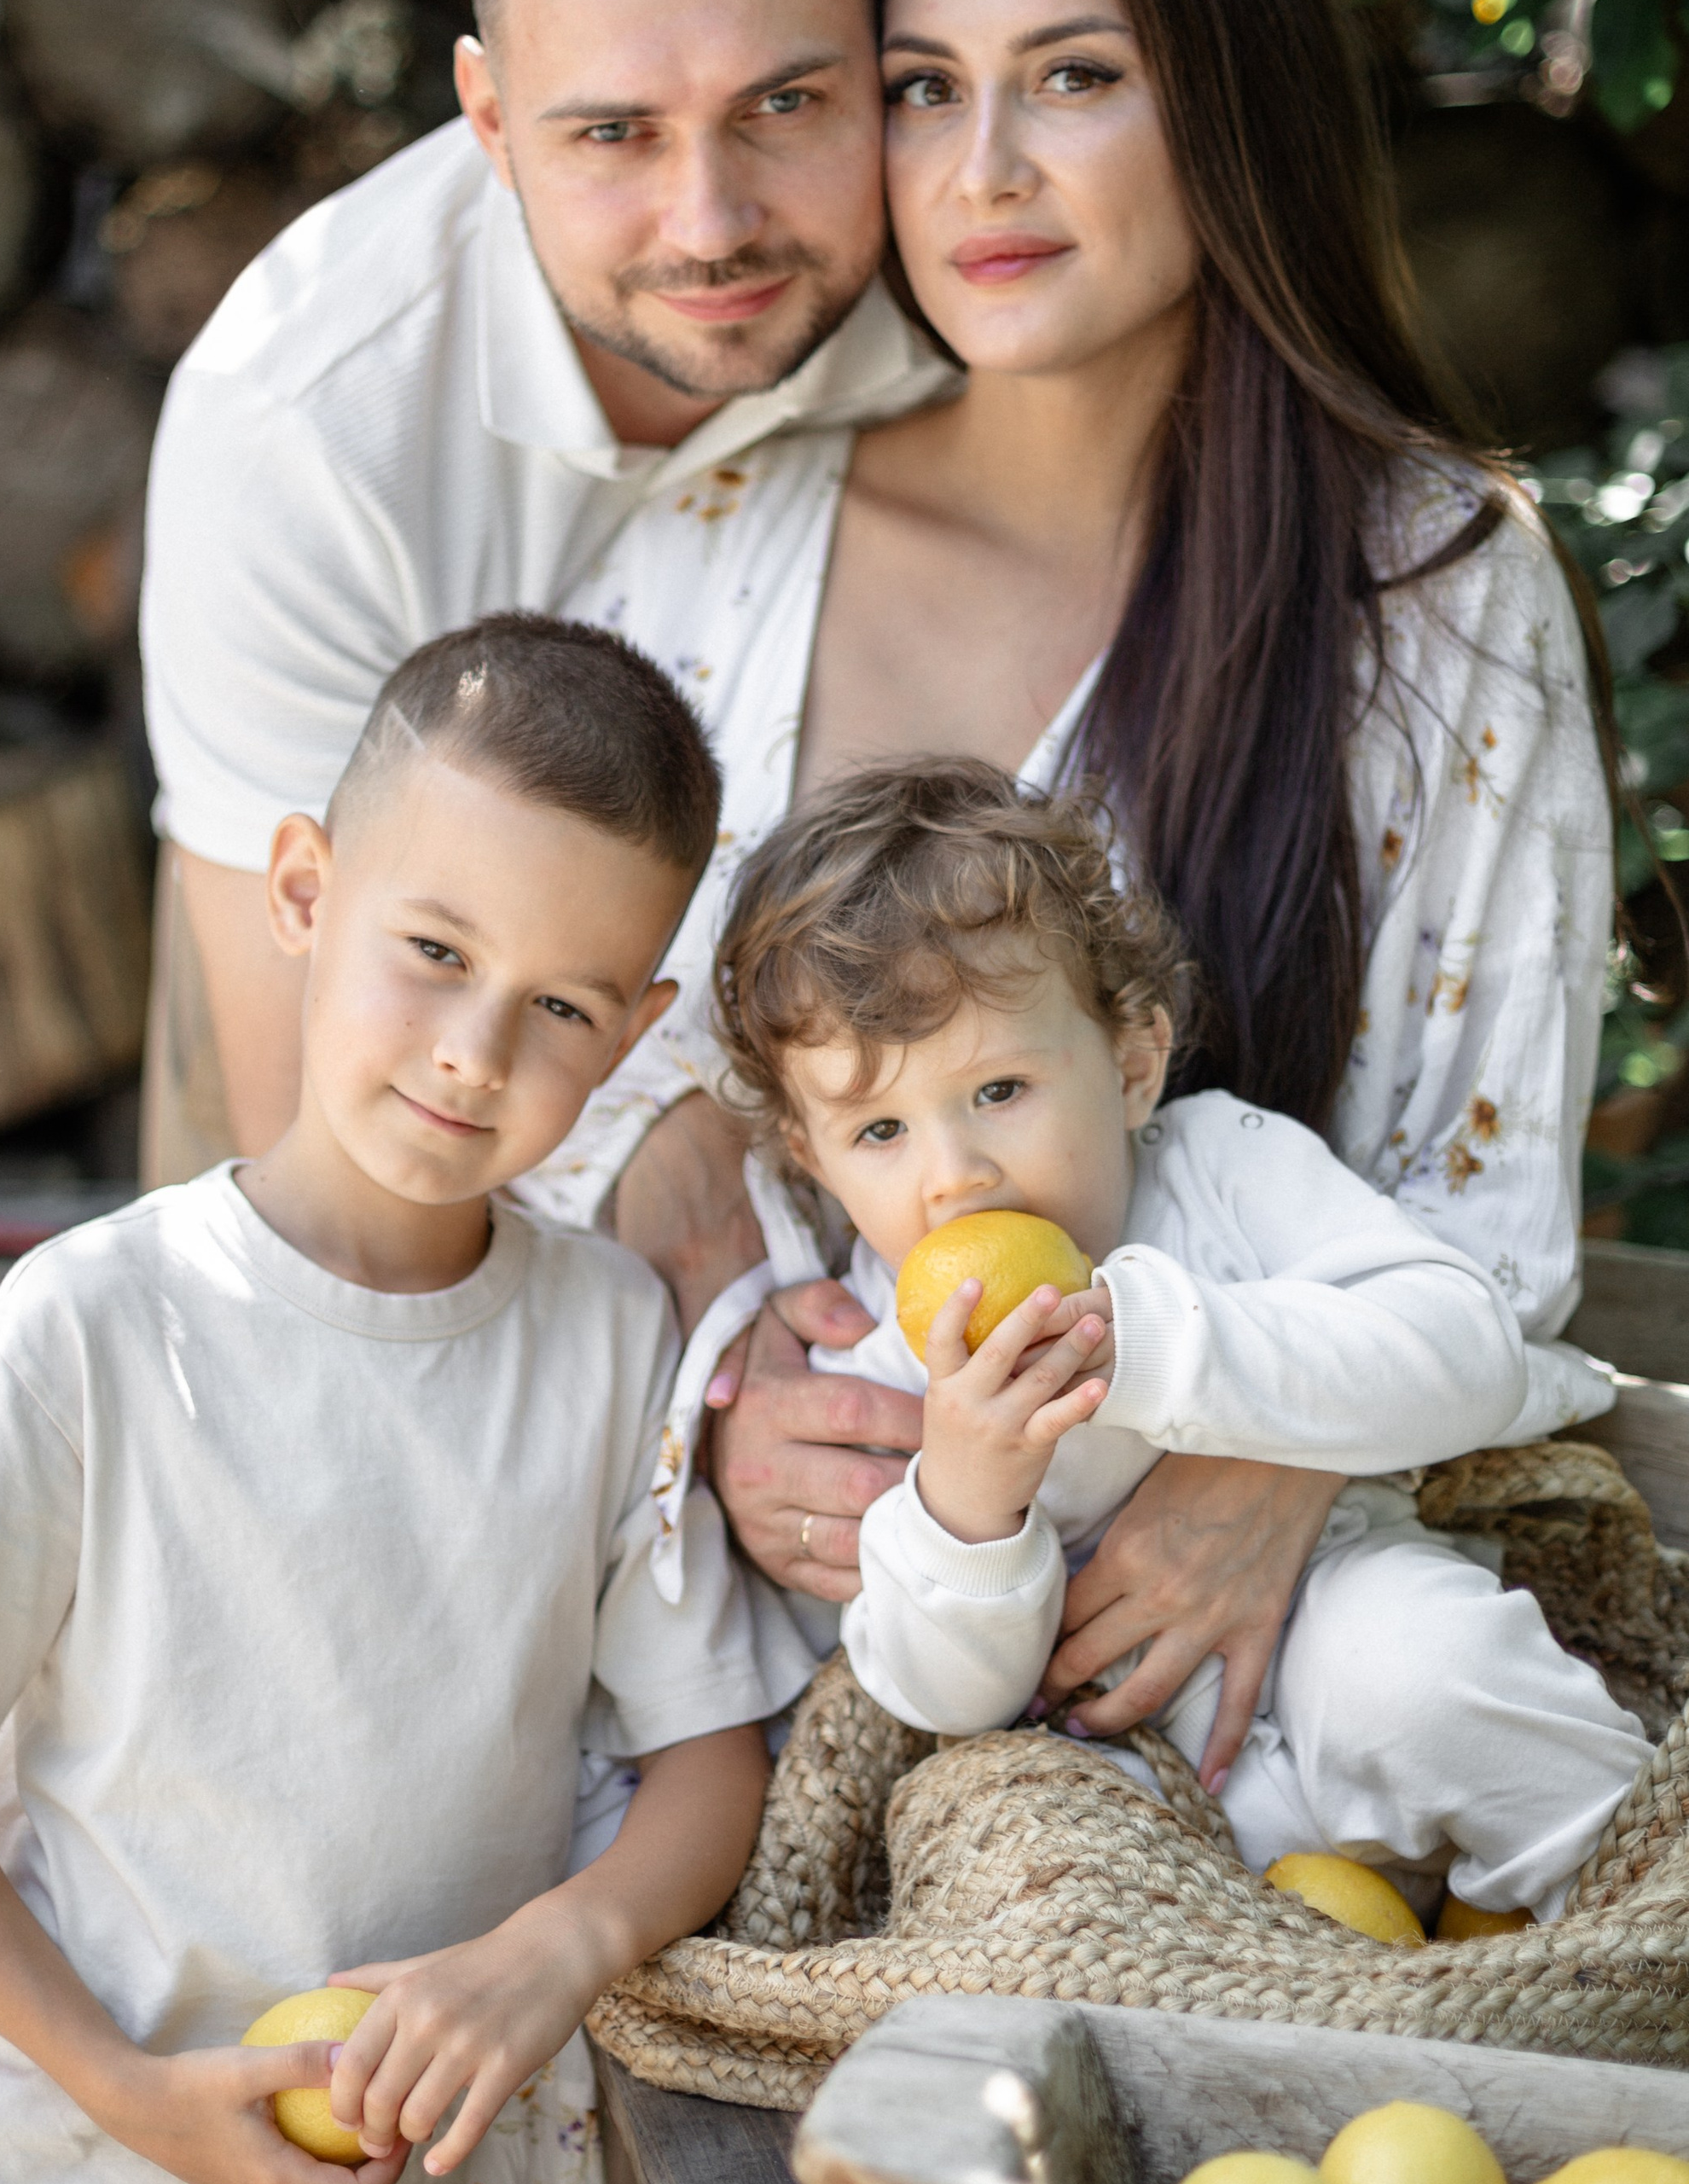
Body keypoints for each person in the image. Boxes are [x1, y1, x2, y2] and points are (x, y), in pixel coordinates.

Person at [526, 0, 1625, 1796]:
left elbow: (1478, 1221)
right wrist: (721, 1406)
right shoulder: (714, 541)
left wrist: (1251, 1471)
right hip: (782, 1651)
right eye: (920, 90)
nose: (982, 172)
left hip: (1262, 1648)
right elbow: (567, 1108)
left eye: (1074, 75)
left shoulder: (1425, 588)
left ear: (1229, 102)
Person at [0, 618, 784, 2184]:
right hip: (77, 2123)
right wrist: (123, 2088)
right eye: (436, 954)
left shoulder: (613, 1339)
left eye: (563, 1009)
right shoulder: (92, 1329)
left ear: (637, 1026)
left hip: (440, 2139)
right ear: (302, 894)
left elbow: (707, 1759)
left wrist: (555, 1952)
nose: (475, 1055)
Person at [663, 760, 1647, 1921]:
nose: (953, 1176)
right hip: (1122, 1770)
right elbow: (936, 1693)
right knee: (1022, 1873)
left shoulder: (1229, 1169)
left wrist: (1154, 1350)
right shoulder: (881, 1355)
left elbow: (1463, 1348)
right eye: (879, 1128)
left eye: (998, 1090)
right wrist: (968, 1512)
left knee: (1428, 1675)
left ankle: (1636, 1938)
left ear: (1131, 1065)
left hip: (1332, 1613)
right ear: (813, 1160)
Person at [140, 0, 953, 1188]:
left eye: (784, 105)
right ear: (492, 121)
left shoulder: (986, 268)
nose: (712, 223)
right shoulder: (304, 432)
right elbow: (321, 1136)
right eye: (617, 133)